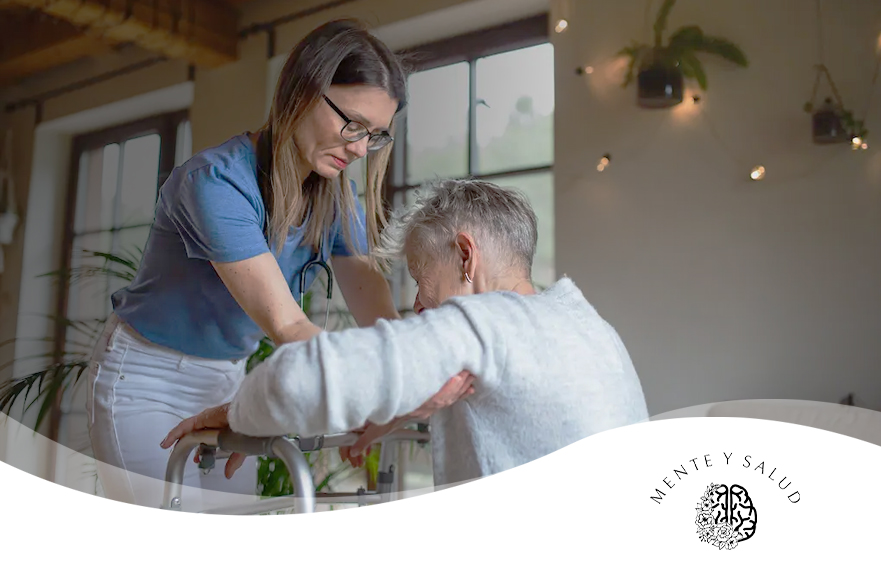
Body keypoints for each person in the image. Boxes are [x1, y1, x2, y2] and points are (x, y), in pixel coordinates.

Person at [86, 19, 472, 508]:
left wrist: (426, 378)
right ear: (302, 92)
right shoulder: (216, 183)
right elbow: (287, 324)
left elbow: (380, 322)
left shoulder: (339, 199)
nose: (358, 148)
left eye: (374, 136)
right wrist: (375, 392)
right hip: (146, 378)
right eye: (351, 123)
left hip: (227, 377)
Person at [163, 179, 650, 489]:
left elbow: (296, 381)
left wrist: (240, 414)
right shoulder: (586, 324)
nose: (416, 305)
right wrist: (399, 402)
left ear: (466, 255)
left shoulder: (482, 322)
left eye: (421, 278)